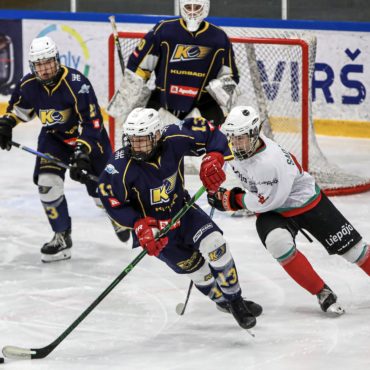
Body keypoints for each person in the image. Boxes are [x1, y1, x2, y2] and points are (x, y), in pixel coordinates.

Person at [98, 107, 262, 330]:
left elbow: (214, 133)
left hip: (183, 213)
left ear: (157, 135)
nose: (136, 146)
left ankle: (236, 301)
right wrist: (138, 224)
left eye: (142, 140)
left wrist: (213, 157)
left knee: (216, 246)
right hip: (158, 234)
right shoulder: (119, 166)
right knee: (199, 272)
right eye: (133, 140)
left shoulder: (174, 137)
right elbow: (111, 200)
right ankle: (223, 302)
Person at [207, 105, 370, 315]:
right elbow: (208, 141)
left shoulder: (269, 162)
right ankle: (322, 292)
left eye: (241, 138)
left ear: (255, 133)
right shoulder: (236, 144)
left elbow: (267, 202)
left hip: (307, 203)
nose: (236, 144)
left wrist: (230, 200)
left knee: (355, 251)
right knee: (278, 243)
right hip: (275, 211)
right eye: (232, 138)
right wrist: (212, 160)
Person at [0, 36, 130, 263]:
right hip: (55, 139)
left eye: (48, 62)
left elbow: (93, 123)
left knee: (101, 194)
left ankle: (114, 214)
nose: (45, 68)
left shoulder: (77, 83)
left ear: (57, 60)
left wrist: (82, 152)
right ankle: (61, 237)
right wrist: (6, 124)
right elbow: (18, 110)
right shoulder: (28, 84)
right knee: (47, 186)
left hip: (89, 141)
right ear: (33, 66)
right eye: (39, 64)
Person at [108, 0, 241, 128]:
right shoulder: (164, 30)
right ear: (182, 6)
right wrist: (128, 100)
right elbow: (138, 68)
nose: (193, 12)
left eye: (197, 7)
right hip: (162, 108)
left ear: (205, 7)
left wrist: (220, 89)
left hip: (200, 110)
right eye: (189, 7)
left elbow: (231, 76)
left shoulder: (219, 38)